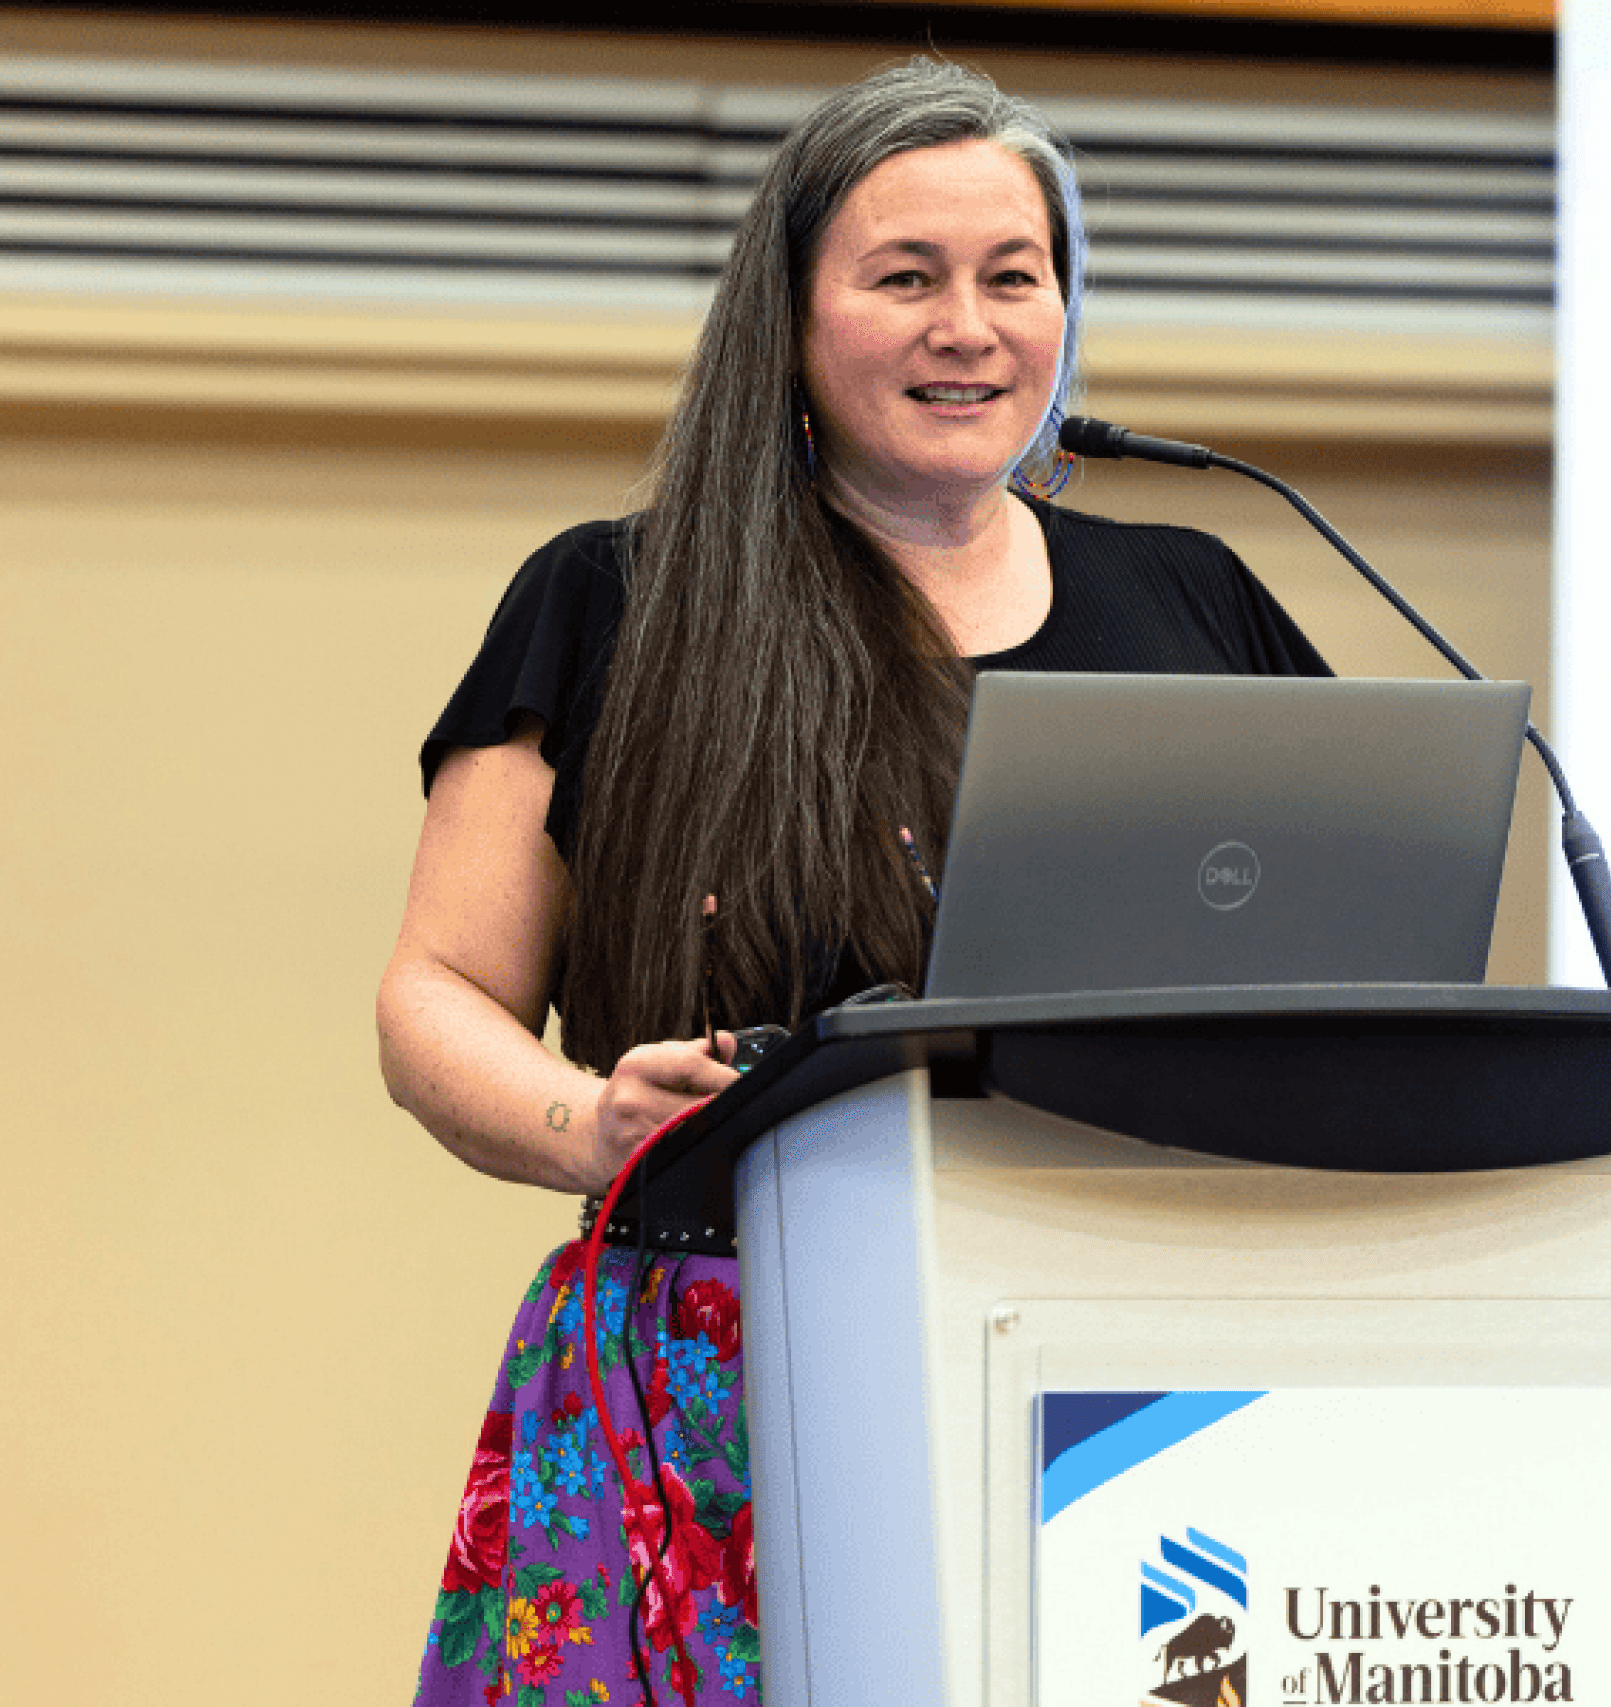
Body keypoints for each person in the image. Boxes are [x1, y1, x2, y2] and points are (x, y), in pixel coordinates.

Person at [379, 58, 1329, 1707]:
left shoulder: (1199, 597)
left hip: (1143, 1381)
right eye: (906, 278)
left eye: (1012, 276)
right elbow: (434, 996)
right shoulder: (615, 599)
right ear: (794, 324)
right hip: (715, 1393)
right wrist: (580, 1118)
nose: (968, 324)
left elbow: (1332, 967)